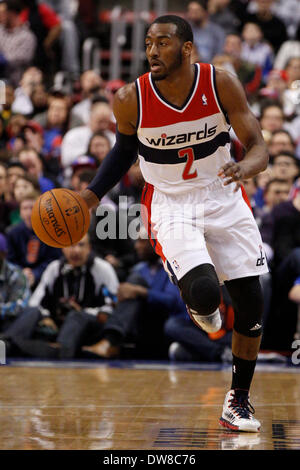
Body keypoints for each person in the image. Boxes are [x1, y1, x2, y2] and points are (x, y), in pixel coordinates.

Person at [78, 15, 269, 432]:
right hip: (171, 203)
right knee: (202, 292)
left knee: (252, 302)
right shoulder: (132, 98)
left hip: (224, 194)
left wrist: (246, 168)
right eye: (148, 43)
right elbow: (123, 150)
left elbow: (258, 147)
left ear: (186, 48)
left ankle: (237, 400)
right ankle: (201, 306)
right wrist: (90, 196)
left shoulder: (220, 83)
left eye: (162, 43)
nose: (151, 51)